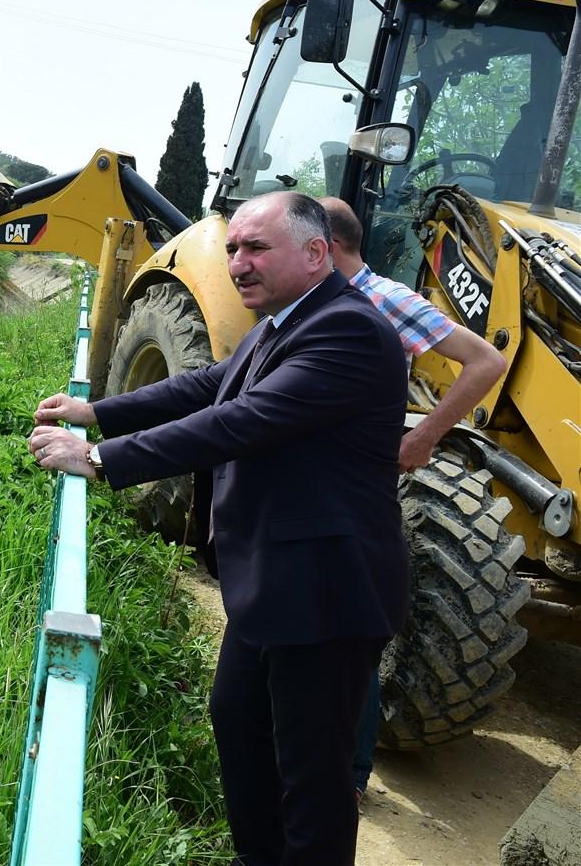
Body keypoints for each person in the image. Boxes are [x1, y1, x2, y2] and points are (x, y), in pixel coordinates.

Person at [29, 192, 409, 865]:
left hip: (325, 597)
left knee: (311, 783)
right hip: (271, 586)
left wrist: (96, 460)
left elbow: (239, 421)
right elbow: (209, 387)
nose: (237, 262)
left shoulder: (349, 330)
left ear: (316, 253)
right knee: (239, 730)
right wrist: (100, 413)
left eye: (255, 247)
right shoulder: (280, 323)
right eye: (233, 247)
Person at [320, 195, 507, 802]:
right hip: (318, 486)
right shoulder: (313, 303)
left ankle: (347, 778)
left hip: (358, 489)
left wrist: (426, 434)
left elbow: (486, 359)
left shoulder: (388, 301)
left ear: (328, 246)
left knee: (349, 633)